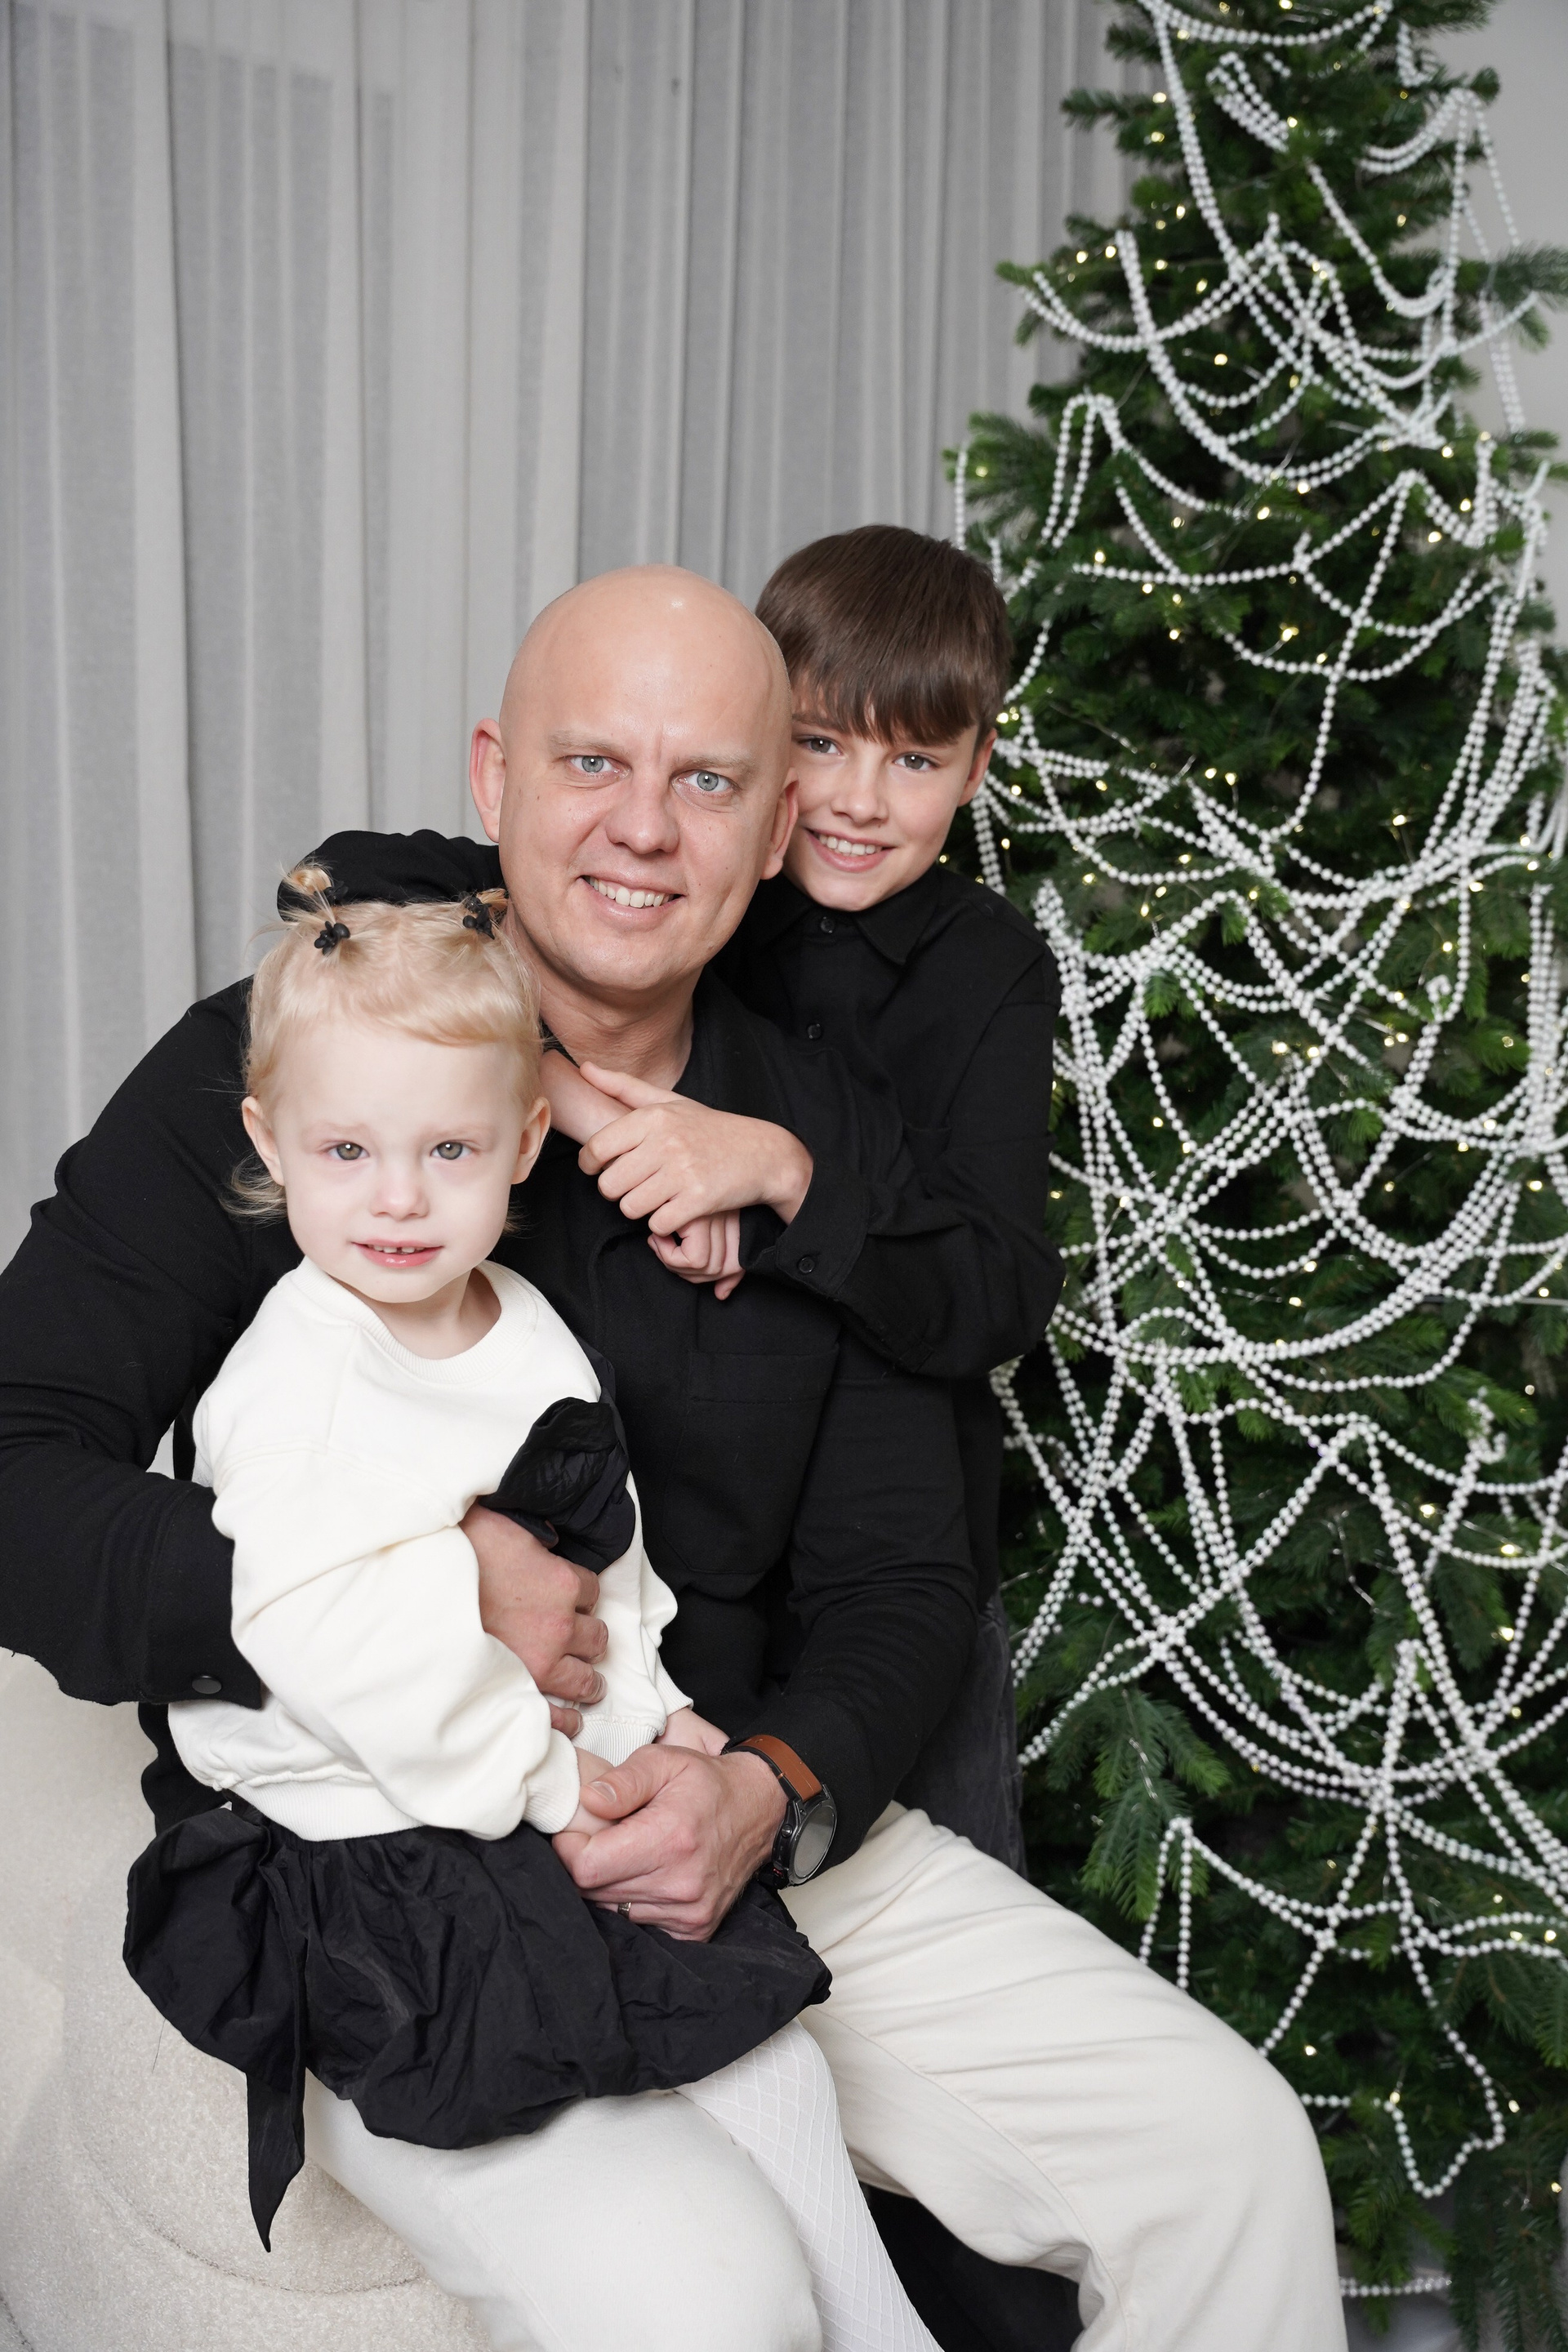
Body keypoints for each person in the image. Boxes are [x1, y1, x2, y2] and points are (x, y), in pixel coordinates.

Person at [0, 568, 1348, 2352]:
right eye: (591, 764)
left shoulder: (816, 1129)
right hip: (404, 1862)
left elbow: (902, 1579)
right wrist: (425, 1589)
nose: (643, 829)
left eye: (706, 780)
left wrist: (766, 1792)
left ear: (775, 823)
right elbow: (14, 1465)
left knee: (1228, 2154)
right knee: (702, 2289)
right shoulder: (321, 1071)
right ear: (495, 780)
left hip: (724, 1806)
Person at [123, 875, 937, 2352]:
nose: (398, 1198)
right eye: (347, 1151)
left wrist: (665, 1718)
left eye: (449, 1150)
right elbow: (348, 1654)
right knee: (661, 2105)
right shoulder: (297, 1381)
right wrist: (559, 1786)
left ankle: (885, 2326)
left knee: (769, 2049)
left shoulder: (523, 1324)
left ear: (524, 1145)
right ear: (270, 1144)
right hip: (370, 1834)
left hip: (509, 1783)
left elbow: (602, 1560)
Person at [318, 524, 1063, 1876]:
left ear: (977, 770)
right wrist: (589, 1103)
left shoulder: (987, 970)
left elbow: (997, 1287)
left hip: (895, 1514)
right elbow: (357, 880)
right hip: (674, 1529)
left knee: (934, 1825)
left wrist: (778, 1176)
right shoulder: (687, 884)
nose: (856, 802)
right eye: (821, 745)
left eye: (914, 762)